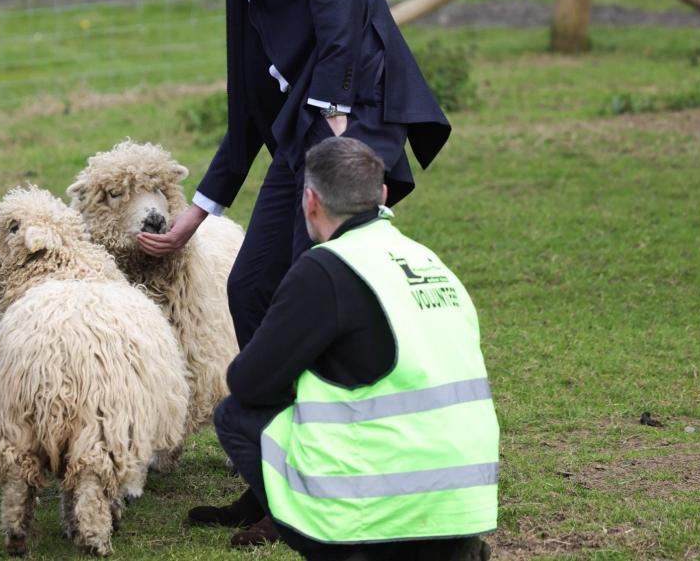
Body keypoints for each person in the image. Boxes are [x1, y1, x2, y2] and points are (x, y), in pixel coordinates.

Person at [135, 0, 452, 543]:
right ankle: (272, 476)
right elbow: (248, 107)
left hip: (352, 113)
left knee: (316, 291)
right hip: (299, 132)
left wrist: (336, 120)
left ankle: (322, 483)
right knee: (251, 284)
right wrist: (197, 215)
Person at [209, 136, 498, 561]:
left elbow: (248, 382)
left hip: (388, 505)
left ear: (310, 200)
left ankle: (346, 547)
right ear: (381, 195)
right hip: (466, 500)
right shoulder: (426, 259)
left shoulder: (326, 267)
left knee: (234, 413)